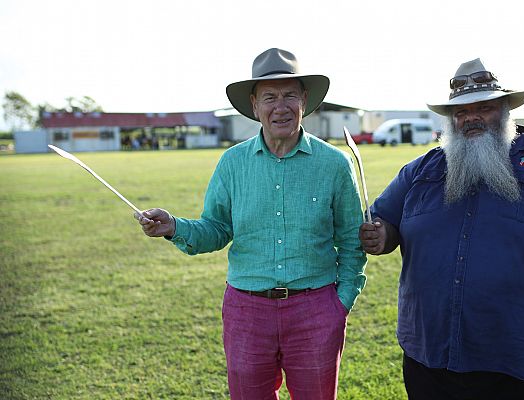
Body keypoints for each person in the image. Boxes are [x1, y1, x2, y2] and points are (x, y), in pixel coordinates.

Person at [359, 58, 524, 400]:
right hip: (430, 357)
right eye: (459, 111)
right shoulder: (421, 172)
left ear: (504, 110)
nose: (470, 118)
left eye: (483, 108)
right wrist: (381, 236)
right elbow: (386, 224)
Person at [135, 48, 367, 400]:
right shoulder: (232, 163)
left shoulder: (334, 164)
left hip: (316, 309)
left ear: (304, 100)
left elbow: (352, 241)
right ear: (254, 105)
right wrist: (174, 227)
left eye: (290, 94)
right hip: (246, 312)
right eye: (270, 97)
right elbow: (216, 228)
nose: (281, 106)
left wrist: (341, 303)